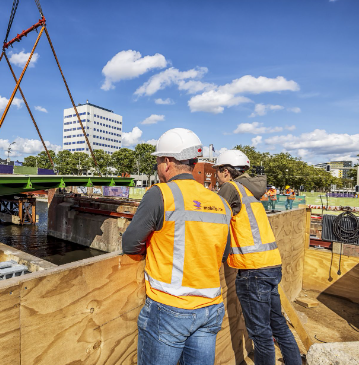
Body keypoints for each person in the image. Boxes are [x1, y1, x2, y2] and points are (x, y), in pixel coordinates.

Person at [122, 128, 232, 365]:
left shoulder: (159, 194)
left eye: (158, 161)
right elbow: (224, 252)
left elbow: (130, 245)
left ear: (167, 163)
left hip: (170, 307)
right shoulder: (221, 202)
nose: (158, 166)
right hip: (210, 307)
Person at [214, 150, 301, 365]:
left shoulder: (230, 188)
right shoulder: (251, 190)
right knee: (278, 325)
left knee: (261, 335)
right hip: (270, 265)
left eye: (217, 171)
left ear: (226, 171)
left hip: (253, 271)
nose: (216, 175)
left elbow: (212, 219)